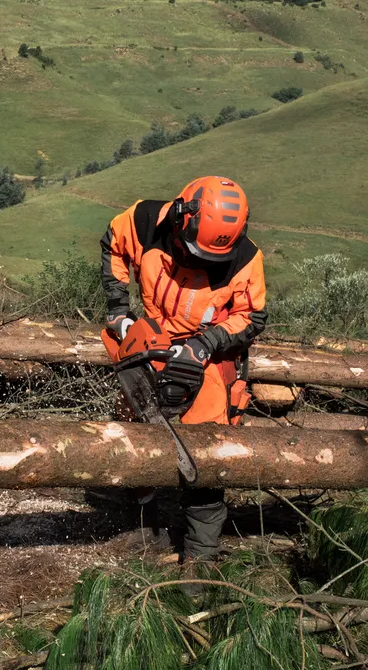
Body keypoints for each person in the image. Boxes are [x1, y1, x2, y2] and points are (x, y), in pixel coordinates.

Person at [99, 176, 267, 569]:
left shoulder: (244, 258)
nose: (198, 262)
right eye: (194, 252)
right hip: (152, 334)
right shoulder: (143, 221)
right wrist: (119, 311)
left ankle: (201, 556)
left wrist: (204, 345)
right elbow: (113, 245)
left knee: (205, 447)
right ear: (181, 217)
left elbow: (253, 316)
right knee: (134, 424)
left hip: (208, 348)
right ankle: (143, 524)